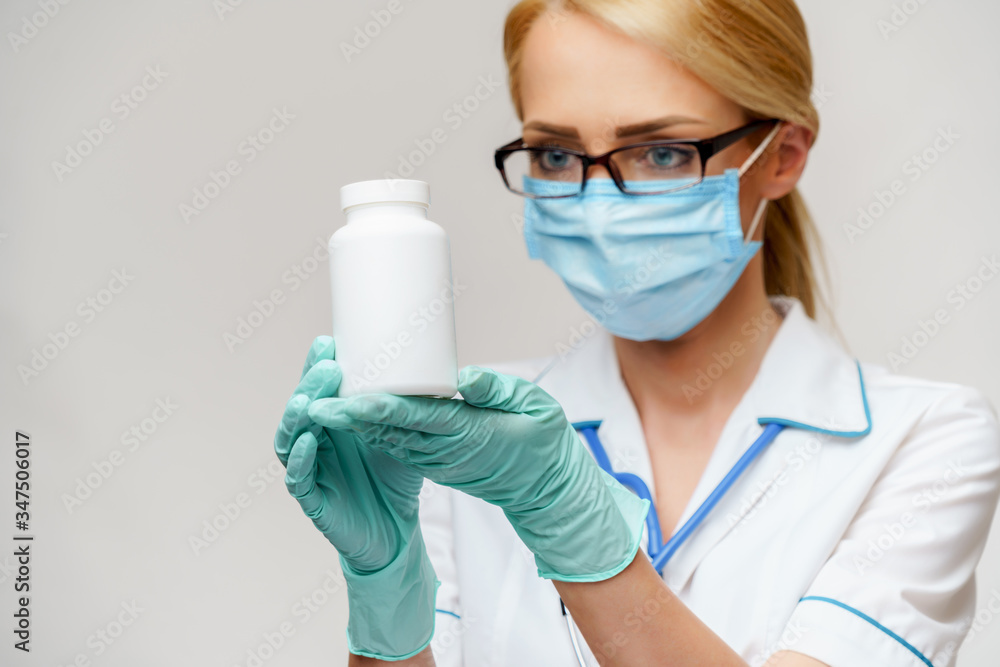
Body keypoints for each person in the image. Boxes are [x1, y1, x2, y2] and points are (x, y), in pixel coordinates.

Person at [273, 1, 1000, 665]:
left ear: (782, 155)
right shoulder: (462, 444)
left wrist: (567, 519)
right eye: (557, 156)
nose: (597, 203)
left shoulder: (925, 440)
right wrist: (385, 599)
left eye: (661, 153)